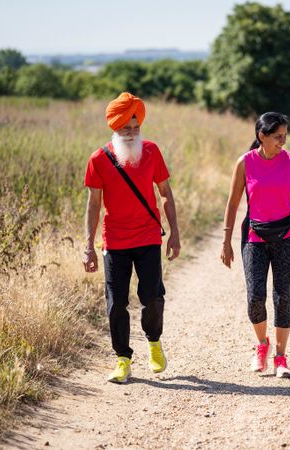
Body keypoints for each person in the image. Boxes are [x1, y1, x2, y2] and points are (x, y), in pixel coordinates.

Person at [82, 92, 181, 384]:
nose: (131, 132)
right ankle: (122, 359)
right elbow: (93, 204)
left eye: (136, 127)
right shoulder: (99, 159)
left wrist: (174, 233)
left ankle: (153, 342)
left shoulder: (151, 151)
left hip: (149, 237)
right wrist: (88, 246)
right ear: (114, 127)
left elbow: (165, 194)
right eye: (126, 127)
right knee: (115, 303)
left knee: (152, 297)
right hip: (114, 242)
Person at [221, 112, 290, 378]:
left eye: (285, 136)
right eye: (278, 136)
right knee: (255, 296)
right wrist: (226, 240)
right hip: (254, 238)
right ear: (262, 136)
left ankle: (280, 357)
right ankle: (262, 345)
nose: (283, 141)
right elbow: (233, 204)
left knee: (282, 296)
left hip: (287, 237)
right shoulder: (244, 163)